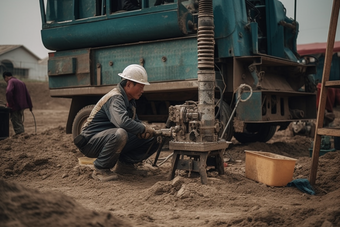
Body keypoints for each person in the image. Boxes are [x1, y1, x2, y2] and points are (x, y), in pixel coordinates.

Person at [74, 64, 159, 182]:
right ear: (129, 84)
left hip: (108, 138)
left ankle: (126, 165)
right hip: (90, 142)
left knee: (154, 137)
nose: (142, 90)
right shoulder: (115, 98)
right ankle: (100, 169)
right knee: (120, 134)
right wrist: (142, 129)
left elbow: (136, 123)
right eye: (141, 87)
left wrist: (148, 130)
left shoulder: (130, 102)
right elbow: (122, 122)